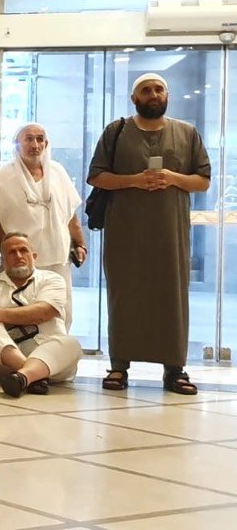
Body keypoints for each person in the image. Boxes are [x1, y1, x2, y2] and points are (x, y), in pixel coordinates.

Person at [87, 73, 211, 395]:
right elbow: (97, 177)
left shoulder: (187, 133)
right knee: (123, 296)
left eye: (159, 90)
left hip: (171, 234)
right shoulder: (116, 132)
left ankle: (175, 370)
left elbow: (202, 180)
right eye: (146, 90)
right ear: (134, 98)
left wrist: (172, 177)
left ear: (167, 96)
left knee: (172, 296)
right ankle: (119, 366)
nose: (153, 95)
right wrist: (135, 180)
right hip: (125, 233)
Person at [0, 232, 82, 398]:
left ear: (34, 256)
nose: (18, 256)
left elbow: (44, 312)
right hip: (3, 361)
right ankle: (33, 375)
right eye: (12, 252)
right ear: (3, 260)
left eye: (23, 250)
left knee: (72, 344)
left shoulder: (52, 279)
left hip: (52, 362)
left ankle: (22, 377)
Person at [0, 123, 85, 325]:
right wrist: (4, 251)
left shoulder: (58, 171)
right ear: (17, 143)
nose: (35, 145)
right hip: (21, 255)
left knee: (59, 309)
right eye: (29, 139)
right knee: (22, 308)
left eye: (40, 139)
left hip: (57, 253)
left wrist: (80, 243)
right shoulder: (1, 176)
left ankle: (59, 343)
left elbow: (70, 212)